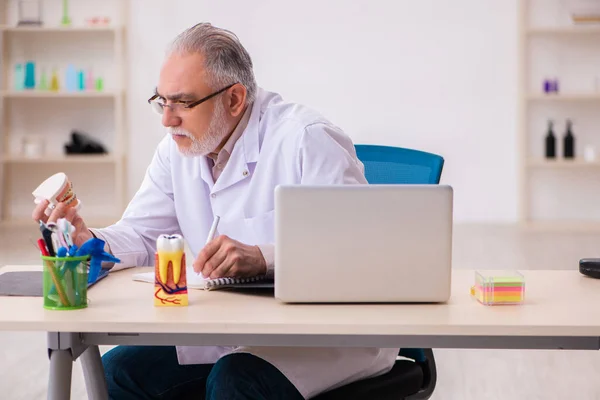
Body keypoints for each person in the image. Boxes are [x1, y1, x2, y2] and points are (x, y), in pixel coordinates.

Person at [32, 22, 398, 400]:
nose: (167, 119)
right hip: (234, 328)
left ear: (235, 99)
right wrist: (87, 238)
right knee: (118, 373)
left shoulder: (307, 139)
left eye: (183, 103)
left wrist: (263, 258)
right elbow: (142, 236)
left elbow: (354, 254)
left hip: (326, 336)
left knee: (235, 382)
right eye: (161, 101)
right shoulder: (177, 149)